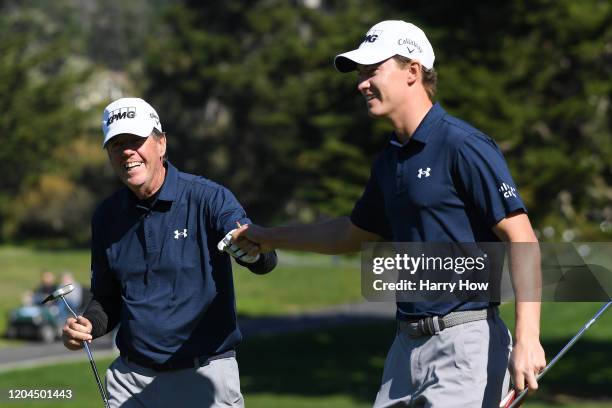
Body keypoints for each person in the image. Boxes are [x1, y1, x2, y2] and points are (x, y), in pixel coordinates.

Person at [231, 20, 546, 407]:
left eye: (372, 71)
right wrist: (269, 236)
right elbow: (351, 233)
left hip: (465, 346)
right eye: (360, 75)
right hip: (404, 349)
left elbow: (522, 237)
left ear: (412, 71)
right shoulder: (390, 159)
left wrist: (528, 339)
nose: (362, 84)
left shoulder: (462, 145)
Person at [62, 97, 277, 408]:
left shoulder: (208, 198)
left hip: (204, 376)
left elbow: (263, 257)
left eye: (136, 141)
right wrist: (88, 325)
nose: (126, 152)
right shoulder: (107, 216)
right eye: (116, 145)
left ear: (161, 144)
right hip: (131, 381)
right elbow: (107, 299)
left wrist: (252, 251)